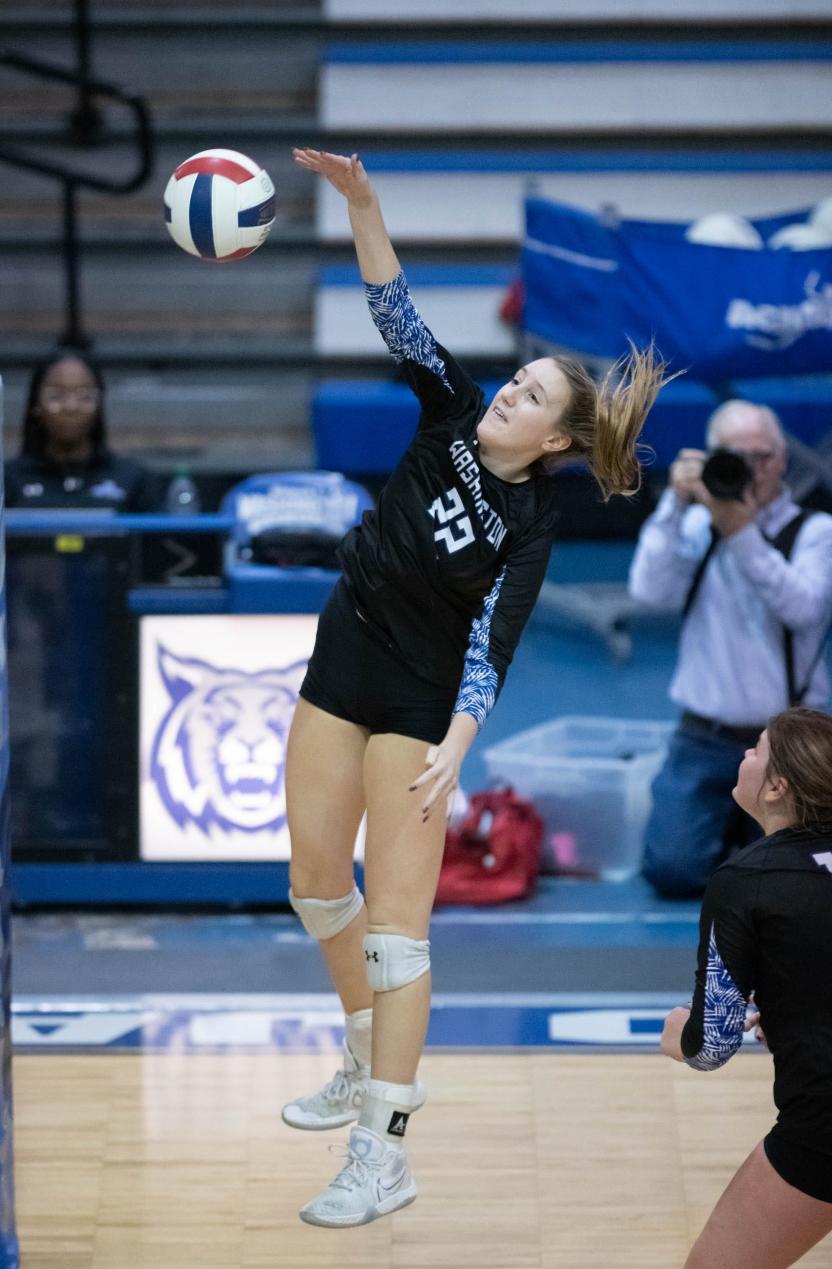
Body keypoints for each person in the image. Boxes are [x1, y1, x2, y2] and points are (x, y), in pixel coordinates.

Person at [283, 147, 671, 1228]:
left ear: (553, 439)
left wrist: (458, 740)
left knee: (398, 934)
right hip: (343, 651)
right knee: (316, 885)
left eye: (531, 394)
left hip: (417, 704)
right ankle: (361, 1057)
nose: (509, 389)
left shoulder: (534, 526)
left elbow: (493, 642)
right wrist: (363, 204)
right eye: (518, 377)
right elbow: (393, 309)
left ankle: (384, 1151)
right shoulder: (449, 408)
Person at [629, 401, 832, 897]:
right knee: (672, 870)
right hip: (704, 737)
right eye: (734, 458)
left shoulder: (816, 532)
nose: (751, 471)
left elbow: (803, 608)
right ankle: (743, 837)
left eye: (761, 457)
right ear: (710, 458)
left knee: (807, 877)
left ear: (783, 460)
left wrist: (739, 530)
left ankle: (748, 839)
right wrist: (675, 505)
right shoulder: (699, 527)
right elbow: (648, 593)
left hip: (790, 742)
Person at [660, 706, 832, 1269]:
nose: (744, 757)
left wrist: (678, 1033)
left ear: (778, 786)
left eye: (756, 749)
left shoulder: (746, 882)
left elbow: (712, 1044)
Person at [4, 351, 170, 512]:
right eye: (56, 395)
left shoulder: (135, 479)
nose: (71, 407)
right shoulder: (7, 480)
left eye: (85, 396)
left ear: (100, 403)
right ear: (36, 404)